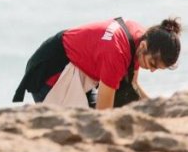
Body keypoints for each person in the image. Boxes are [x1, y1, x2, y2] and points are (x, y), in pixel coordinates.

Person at [13, 17, 181, 109]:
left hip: (76, 67)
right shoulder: (117, 52)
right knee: (92, 121)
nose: (151, 71)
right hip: (50, 74)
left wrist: (158, 108)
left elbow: (133, 85)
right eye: (152, 64)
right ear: (144, 46)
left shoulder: (141, 36)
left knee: (126, 96)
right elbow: (103, 113)